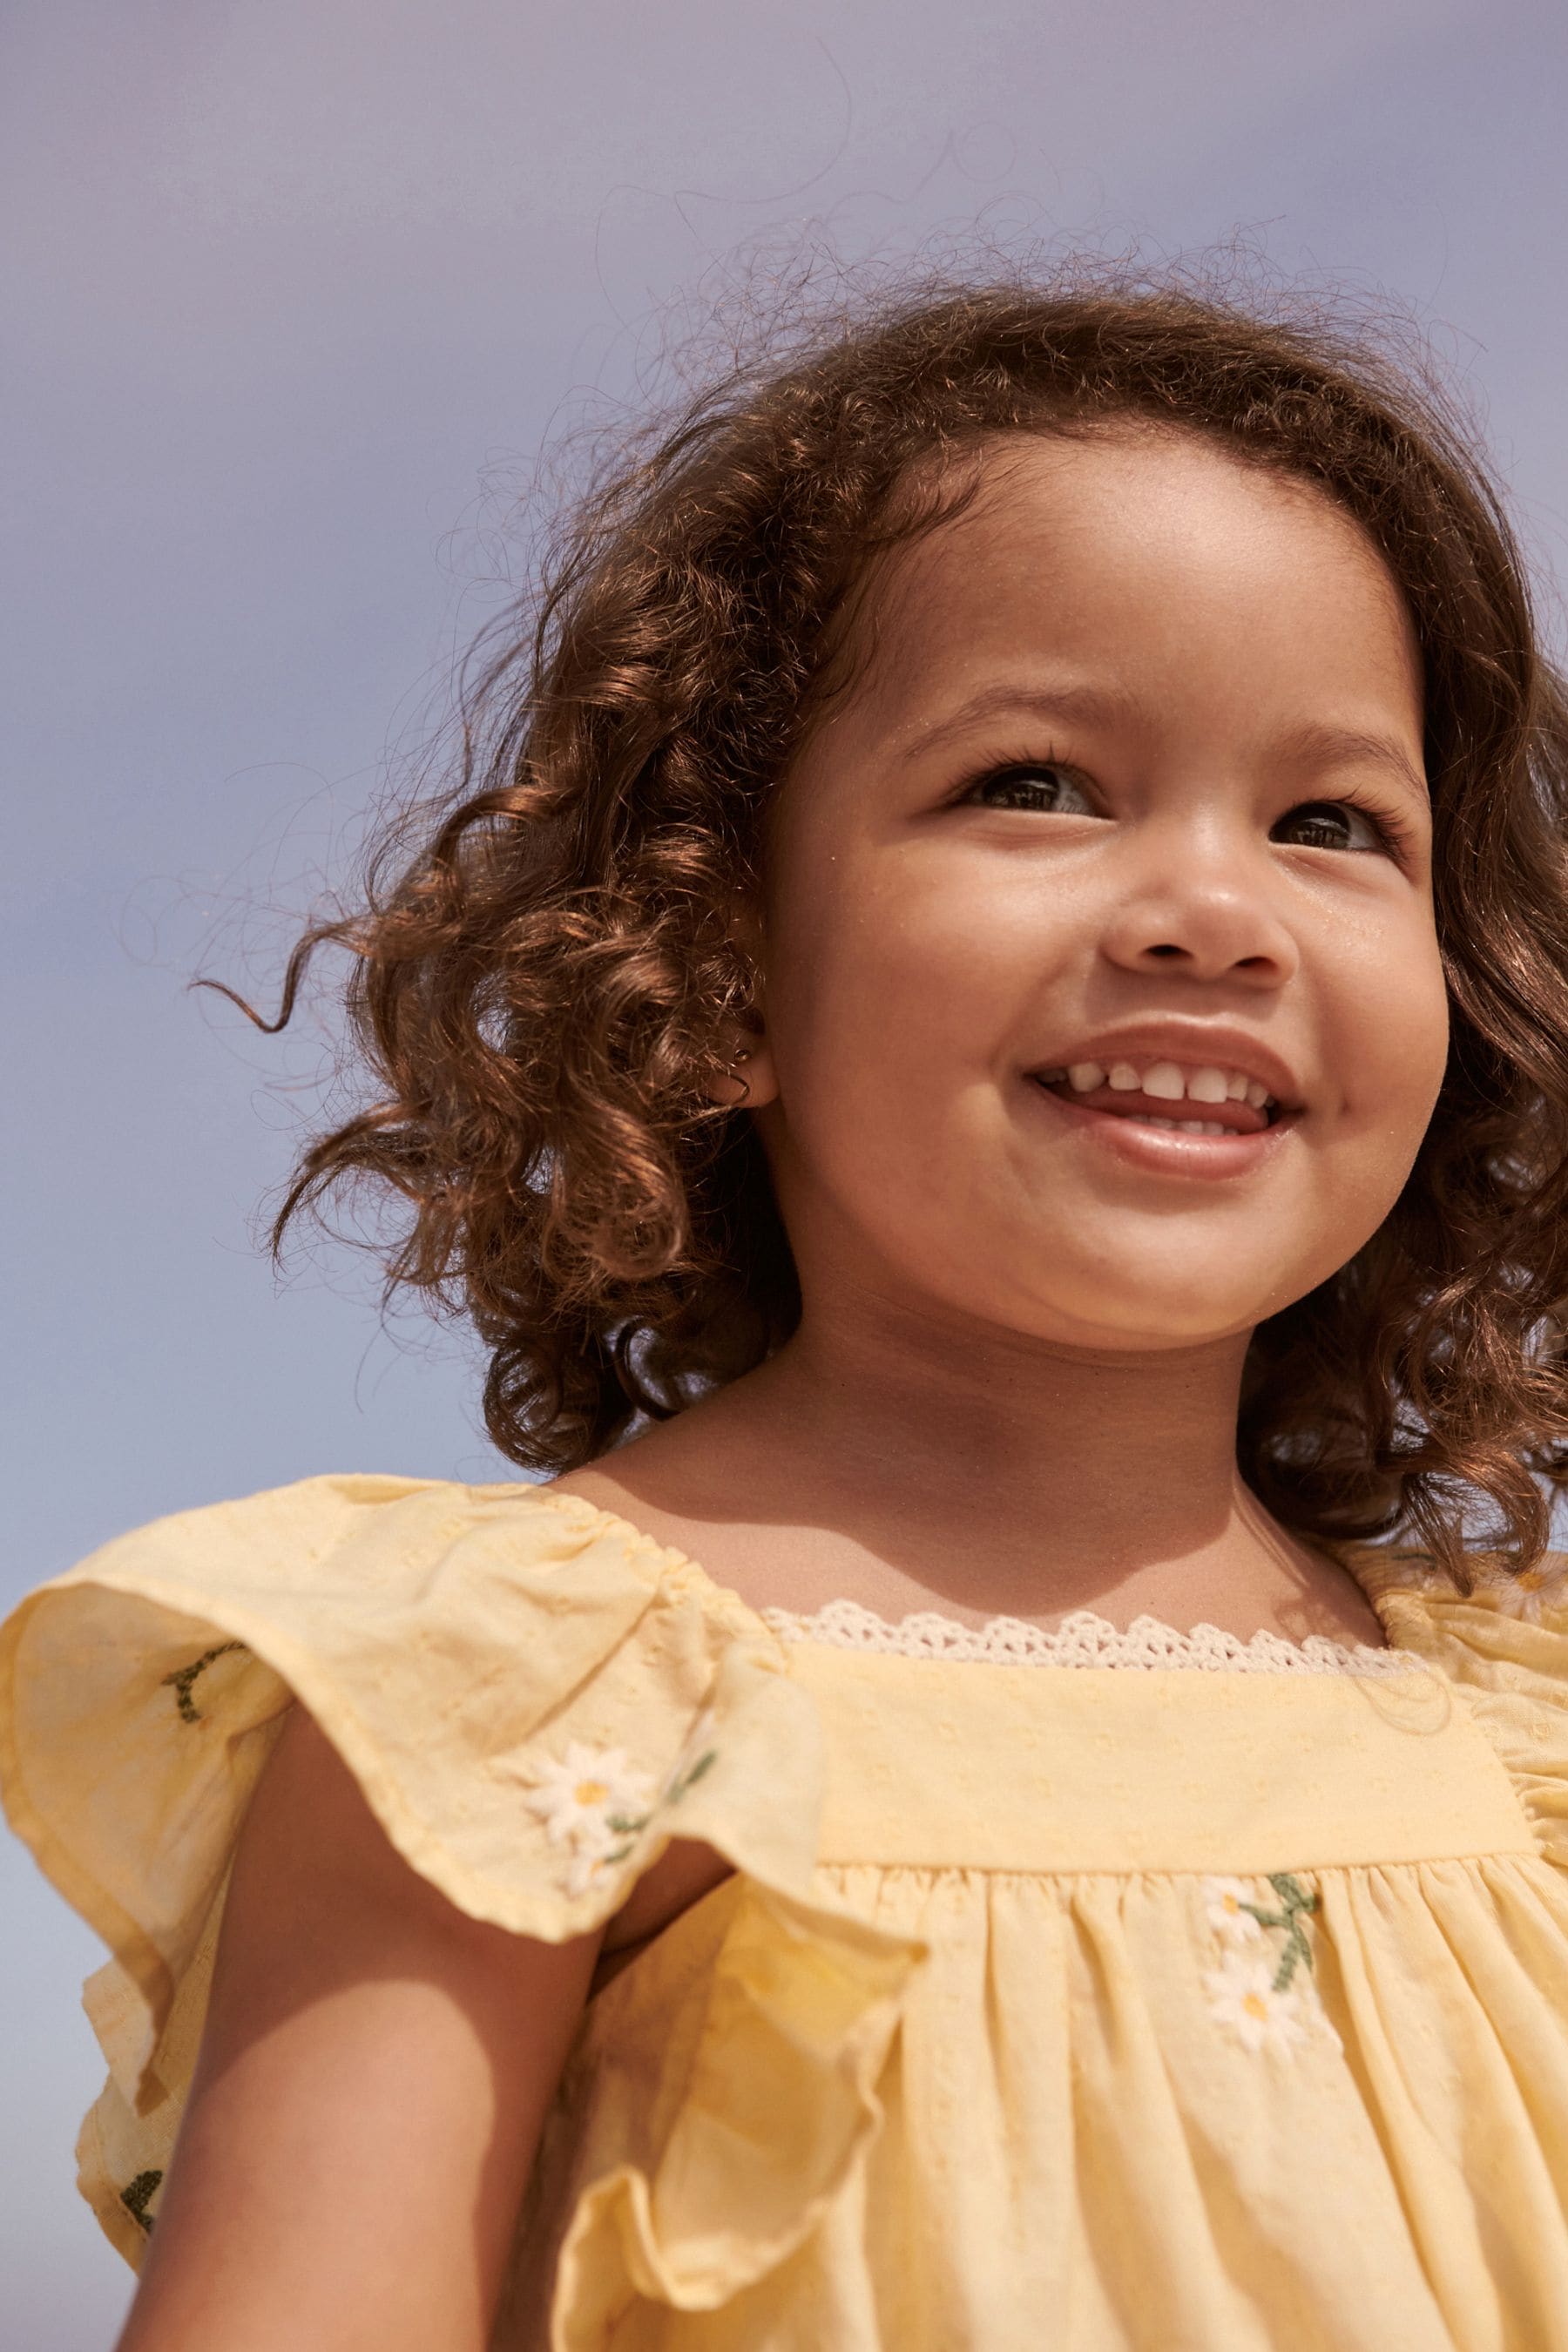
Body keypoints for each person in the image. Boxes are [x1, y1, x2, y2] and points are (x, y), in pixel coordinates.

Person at [6, 269, 1568, 2352]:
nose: (1215, 910)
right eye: (1037, 784)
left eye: (1331, 825)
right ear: (715, 962)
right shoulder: (519, 1705)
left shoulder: (1519, 1748)